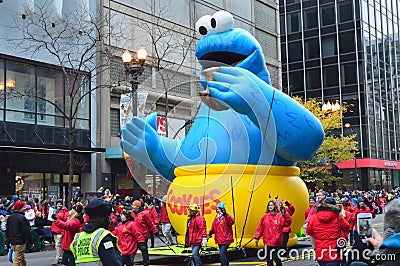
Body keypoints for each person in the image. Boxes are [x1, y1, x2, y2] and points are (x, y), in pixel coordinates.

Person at [70, 198, 122, 265]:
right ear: (100, 217)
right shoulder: (103, 237)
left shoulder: (78, 238)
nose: (110, 219)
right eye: (108, 216)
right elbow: (113, 263)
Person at [306, 197, 350, 266]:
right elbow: (346, 227)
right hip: (334, 251)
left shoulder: (315, 216)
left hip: (320, 253)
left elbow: (309, 231)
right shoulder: (338, 216)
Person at [254, 199, 292, 266]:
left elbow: (287, 223)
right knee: (269, 259)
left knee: (275, 257)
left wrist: (285, 215)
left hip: (276, 241)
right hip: (267, 240)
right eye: (269, 205)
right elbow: (260, 228)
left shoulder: (279, 215)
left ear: (275, 206)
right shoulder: (265, 216)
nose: (270, 206)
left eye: (272, 205)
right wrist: (257, 237)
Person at [6, 200, 33, 266]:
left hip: (12, 241)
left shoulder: (10, 217)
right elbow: (26, 231)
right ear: (20, 208)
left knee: (21, 258)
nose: (25, 208)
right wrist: (31, 242)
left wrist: (8, 241)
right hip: (20, 241)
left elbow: (7, 230)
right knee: (17, 260)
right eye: (24, 207)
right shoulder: (22, 218)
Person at [131, 200, 158, 266]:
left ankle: (146, 263)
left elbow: (150, 223)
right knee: (132, 250)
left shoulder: (144, 214)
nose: (132, 207)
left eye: (134, 205)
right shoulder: (131, 213)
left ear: (138, 206)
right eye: (132, 205)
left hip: (143, 235)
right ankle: (130, 263)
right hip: (134, 236)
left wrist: (155, 230)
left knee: (144, 249)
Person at [208, 202, 235, 266]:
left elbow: (232, 221)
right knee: (223, 254)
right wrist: (209, 234)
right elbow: (213, 227)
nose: (217, 210)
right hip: (219, 239)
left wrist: (226, 215)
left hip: (226, 239)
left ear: (223, 209)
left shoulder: (226, 217)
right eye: (217, 209)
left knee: (222, 253)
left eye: (219, 209)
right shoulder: (216, 218)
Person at [51, 199, 69, 266]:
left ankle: (57, 259)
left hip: (60, 230)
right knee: (57, 245)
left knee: (58, 244)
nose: (59, 205)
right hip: (55, 229)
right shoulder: (54, 211)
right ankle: (60, 258)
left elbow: (65, 220)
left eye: (60, 204)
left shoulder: (64, 212)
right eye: (58, 204)